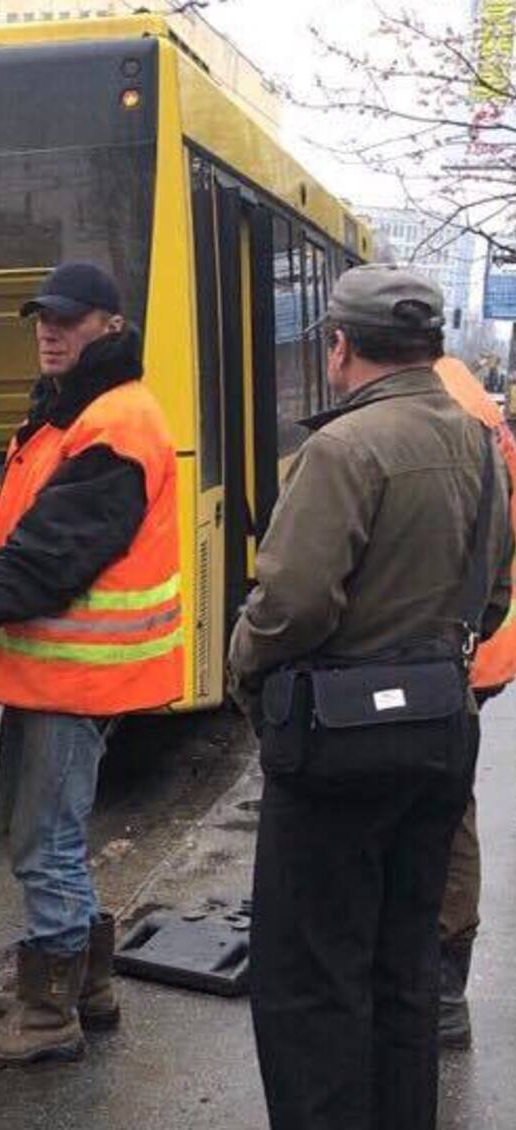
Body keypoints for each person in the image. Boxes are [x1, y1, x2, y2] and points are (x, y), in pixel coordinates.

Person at [230, 265, 512, 1130]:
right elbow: (493, 588)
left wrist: (246, 668)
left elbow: (292, 604)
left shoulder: (343, 449)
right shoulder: (477, 439)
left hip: (337, 748)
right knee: (402, 970)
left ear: (341, 346)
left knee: (314, 980)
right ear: (431, 347)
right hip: (440, 733)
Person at [0, 261, 183, 1068]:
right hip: (78, 671)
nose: (49, 331)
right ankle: (84, 986)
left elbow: (54, 556)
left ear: (110, 328)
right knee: (58, 835)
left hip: (76, 674)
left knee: (43, 842)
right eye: (42, 318)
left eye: (69, 319)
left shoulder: (112, 424)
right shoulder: (84, 411)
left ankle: (47, 1016)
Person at [430, 354, 516, 1050]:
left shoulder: (438, 407)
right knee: (448, 804)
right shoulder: (473, 403)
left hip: (451, 652)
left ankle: (437, 990)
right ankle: (439, 988)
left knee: (440, 810)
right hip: (480, 643)